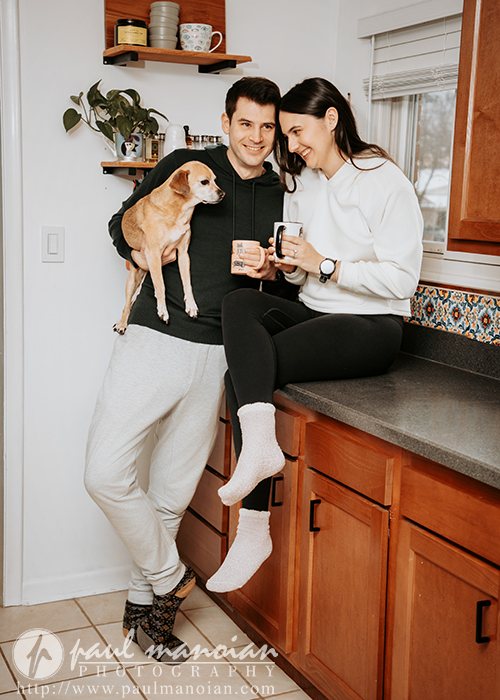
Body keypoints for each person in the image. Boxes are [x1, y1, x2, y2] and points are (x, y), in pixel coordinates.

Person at [84, 77, 294, 662]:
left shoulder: (282, 193)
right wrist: (139, 249)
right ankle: (173, 577)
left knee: (172, 493)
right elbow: (121, 222)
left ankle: (143, 619)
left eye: (268, 126)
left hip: (221, 353)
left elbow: (284, 276)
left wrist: (273, 271)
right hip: (154, 337)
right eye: (245, 123)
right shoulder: (186, 165)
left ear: (276, 131)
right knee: (105, 473)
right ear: (225, 123)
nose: (256, 137)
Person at [206, 77, 424, 593]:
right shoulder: (303, 183)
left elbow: (401, 280)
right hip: (315, 308)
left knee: (245, 373)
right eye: (287, 135)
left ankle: (253, 527)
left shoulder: (384, 181)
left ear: (331, 120)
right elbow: (305, 273)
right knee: (239, 303)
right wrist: (285, 265)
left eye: (297, 132)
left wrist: (323, 264)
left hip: (373, 327)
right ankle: (261, 456)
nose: (292, 145)